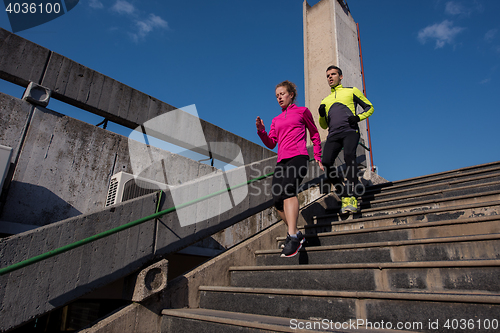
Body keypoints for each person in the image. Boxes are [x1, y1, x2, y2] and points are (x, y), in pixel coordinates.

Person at [256, 80, 324, 257]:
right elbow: (271, 143)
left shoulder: (302, 112)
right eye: (277, 95)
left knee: (288, 190)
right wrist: (262, 132)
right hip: (282, 161)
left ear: (291, 94)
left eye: (282, 94)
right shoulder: (276, 120)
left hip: (299, 157)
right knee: (277, 199)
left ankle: (292, 235)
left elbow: (314, 133)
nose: (279, 97)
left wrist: (317, 155)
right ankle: (296, 233)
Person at [318, 65, 374, 214]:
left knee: (349, 155)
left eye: (333, 74)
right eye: (328, 75)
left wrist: (358, 117)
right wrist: (322, 114)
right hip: (333, 134)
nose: (330, 77)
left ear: (340, 77)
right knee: (326, 162)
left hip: (350, 131)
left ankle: (353, 195)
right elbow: (323, 125)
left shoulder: (351, 91)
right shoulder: (326, 100)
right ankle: (343, 192)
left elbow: (370, 108)